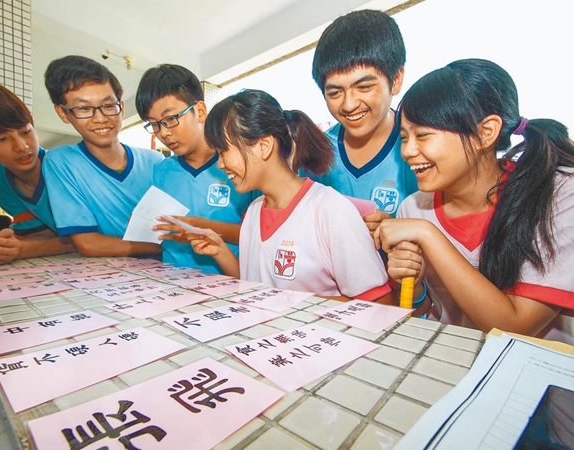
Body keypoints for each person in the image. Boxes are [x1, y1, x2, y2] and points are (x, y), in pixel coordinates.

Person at [374, 59, 574, 343]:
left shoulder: (555, 195)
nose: (408, 151)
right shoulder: (414, 208)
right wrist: (414, 286)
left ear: (485, 132)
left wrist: (427, 235)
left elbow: (514, 329)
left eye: (423, 135)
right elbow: (426, 311)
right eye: (404, 138)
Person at [188, 89, 390, 302]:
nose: (220, 164)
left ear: (264, 146)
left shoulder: (328, 209)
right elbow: (257, 289)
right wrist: (220, 251)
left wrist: (290, 303)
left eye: (223, 152)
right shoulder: (254, 212)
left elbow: (380, 303)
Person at [305, 9, 417, 235]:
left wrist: (402, 230)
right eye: (335, 93)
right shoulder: (316, 152)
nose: (349, 105)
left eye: (364, 87)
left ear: (396, 79)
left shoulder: (421, 150)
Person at [136, 65, 257, 273]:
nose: (163, 133)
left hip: (230, 281)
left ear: (200, 111)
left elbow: (264, 235)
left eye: (170, 119)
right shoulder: (161, 171)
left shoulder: (239, 165)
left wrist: (199, 227)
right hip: (170, 281)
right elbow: (157, 235)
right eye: (154, 124)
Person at [43, 55, 164, 257]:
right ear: (63, 113)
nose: (100, 118)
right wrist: (164, 248)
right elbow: (88, 243)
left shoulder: (156, 162)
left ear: (122, 107)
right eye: (84, 108)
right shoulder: (61, 162)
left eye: (108, 106)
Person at [0, 79, 75, 266]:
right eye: (1, 139)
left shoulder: (67, 166)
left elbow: (93, 237)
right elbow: (39, 234)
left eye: (25, 131)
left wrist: (22, 250)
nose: (21, 147)